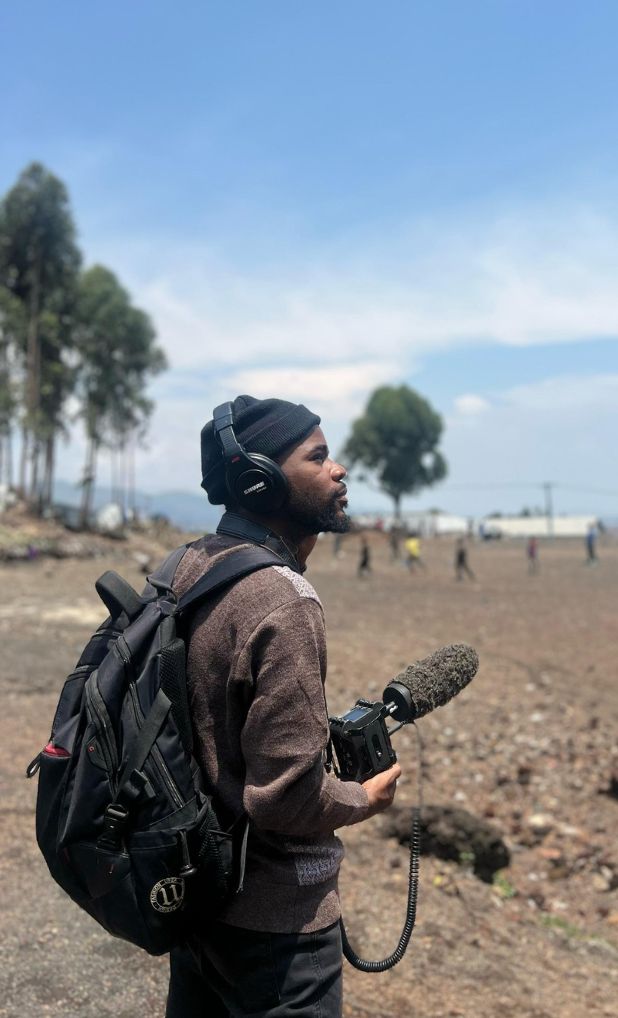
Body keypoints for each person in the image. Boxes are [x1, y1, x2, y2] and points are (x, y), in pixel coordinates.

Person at [165, 395, 401, 1018]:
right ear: (260, 480)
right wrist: (365, 797)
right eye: (317, 457)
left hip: (197, 893)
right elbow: (284, 800)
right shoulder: (283, 600)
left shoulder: (188, 565)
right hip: (275, 929)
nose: (339, 469)